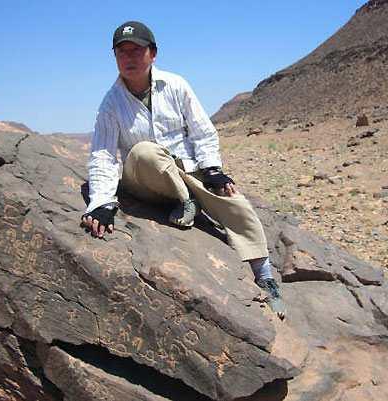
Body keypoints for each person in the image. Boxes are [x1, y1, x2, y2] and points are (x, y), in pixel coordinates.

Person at [81, 21, 285, 319]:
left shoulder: (176, 85)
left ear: (153, 53)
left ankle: (265, 276)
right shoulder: (111, 104)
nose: (129, 58)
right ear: (115, 58)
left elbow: (202, 132)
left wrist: (213, 169)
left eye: (136, 50)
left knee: (234, 201)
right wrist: (101, 202)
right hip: (148, 181)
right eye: (121, 52)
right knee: (144, 152)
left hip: (186, 171)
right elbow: (102, 154)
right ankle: (186, 201)